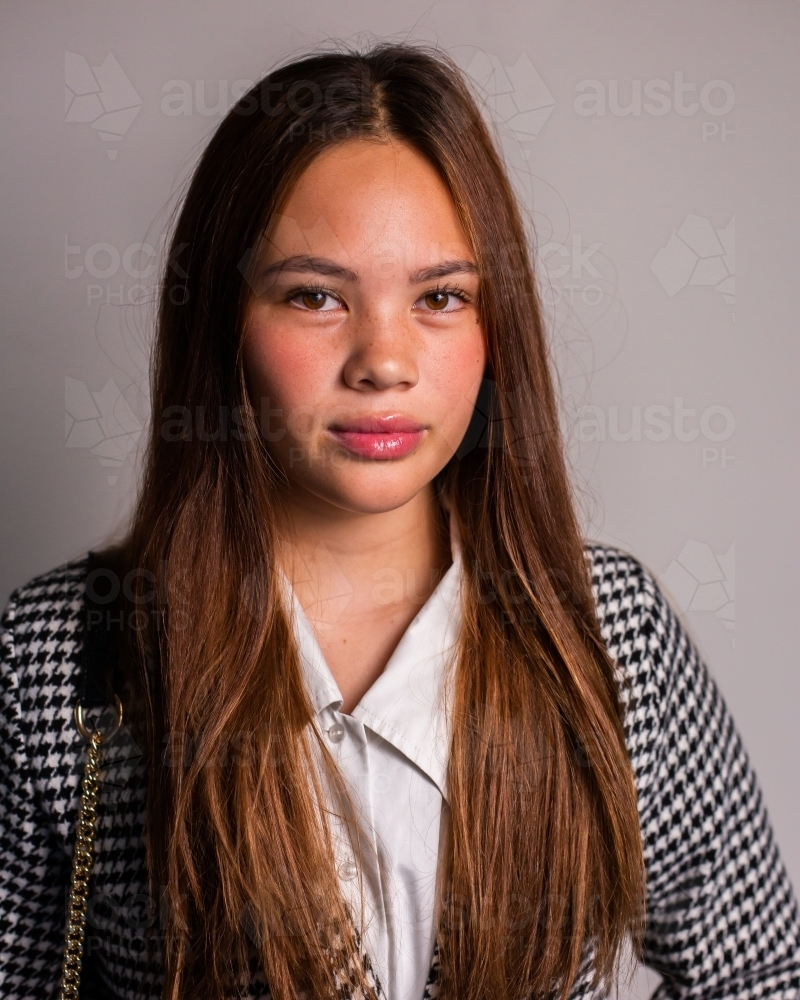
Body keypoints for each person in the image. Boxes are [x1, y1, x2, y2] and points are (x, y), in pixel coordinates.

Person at [0, 42, 798, 1000]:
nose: (384, 362)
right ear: (224, 321)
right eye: (316, 296)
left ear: (493, 328)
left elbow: (759, 969)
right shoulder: (61, 658)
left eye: (440, 298)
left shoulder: (609, 632)